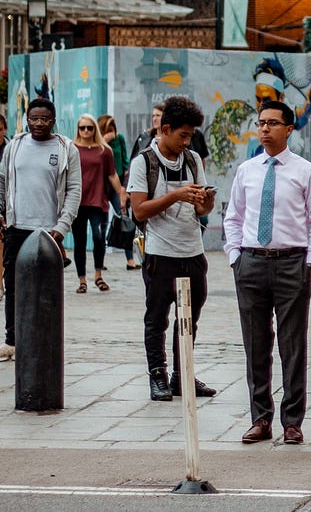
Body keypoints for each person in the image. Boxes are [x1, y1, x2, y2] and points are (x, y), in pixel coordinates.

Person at [223, 100, 311, 445]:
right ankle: (260, 418)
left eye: (272, 123)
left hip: (292, 262)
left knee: (292, 345)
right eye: (261, 123)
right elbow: (234, 216)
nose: (265, 129)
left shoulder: (305, 171)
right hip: (251, 262)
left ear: (289, 128)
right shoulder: (247, 170)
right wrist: (235, 256)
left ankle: (293, 421)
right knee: (256, 344)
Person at [129, 96, 216, 401]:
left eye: (191, 136)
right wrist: (176, 195)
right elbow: (138, 210)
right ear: (165, 129)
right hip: (159, 254)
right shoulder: (144, 162)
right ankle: (157, 375)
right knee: (157, 319)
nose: (187, 141)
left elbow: (204, 208)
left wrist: (204, 201)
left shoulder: (192, 160)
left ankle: (183, 375)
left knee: (189, 318)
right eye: (183, 135)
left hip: (193, 251)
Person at [0, 99, 82, 361]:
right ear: (27, 119)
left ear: (53, 120)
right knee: (12, 286)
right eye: (34, 119)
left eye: (44, 119)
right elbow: (2, 181)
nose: (38, 124)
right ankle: (12, 340)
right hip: (17, 227)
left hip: (49, 231)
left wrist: (62, 226)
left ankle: (46, 339)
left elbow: (74, 190)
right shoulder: (15, 146)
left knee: (48, 289)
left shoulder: (67, 149)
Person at [72, 114, 125, 294]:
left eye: (90, 127)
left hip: (98, 200)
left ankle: (98, 274)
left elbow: (112, 175)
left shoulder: (104, 150)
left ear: (95, 129)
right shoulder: (72, 149)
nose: (86, 131)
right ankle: (82, 280)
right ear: (78, 129)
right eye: (82, 128)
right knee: (80, 241)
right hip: (77, 202)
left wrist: (121, 194)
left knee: (98, 237)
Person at [98, 115, 139, 271]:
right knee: (101, 224)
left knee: (125, 219)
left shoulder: (119, 138)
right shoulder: (98, 142)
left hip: (118, 184)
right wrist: (104, 140)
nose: (112, 131)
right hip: (101, 186)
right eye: (108, 128)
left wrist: (124, 187)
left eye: (113, 127)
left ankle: (130, 259)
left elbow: (126, 160)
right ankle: (99, 261)